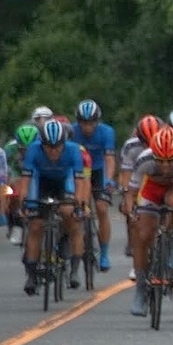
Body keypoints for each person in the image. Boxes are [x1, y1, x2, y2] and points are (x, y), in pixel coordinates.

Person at [123, 126, 173, 316]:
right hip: (151, 190)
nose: (166, 166)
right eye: (161, 161)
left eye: (170, 161)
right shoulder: (144, 158)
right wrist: (131, 212)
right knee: (142, 236)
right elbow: (131, 194)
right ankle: (141, 290)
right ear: (154, 156)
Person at [18, 119, 88, 293]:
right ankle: (32, 276)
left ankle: (74, 270)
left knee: (69, 213)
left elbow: (80, 182)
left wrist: (79, 204)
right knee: (35, 226)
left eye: (58, 147)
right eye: (49, 147)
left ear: (64, 143)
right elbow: (26, 181)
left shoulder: (73, 150)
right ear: (41, 144)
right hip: (41, 182)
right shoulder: (33, 150)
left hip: (65, 182)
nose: (54, 151)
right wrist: (23, 203)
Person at [71, 99, 117, 271]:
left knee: (102, 208)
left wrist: (108, 179)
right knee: (72, 206)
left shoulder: (106, 132)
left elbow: (110, 158)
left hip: (98, 170)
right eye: (83, 122)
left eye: (91, 122)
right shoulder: (72, 132)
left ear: (98, 121)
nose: (87, 127)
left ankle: (104, 252)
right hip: (79, 171)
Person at [119, 114, 164, 279]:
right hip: (139, 180)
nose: (149, 147)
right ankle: (135, 251)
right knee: (132, 212)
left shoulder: (169, 142)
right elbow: (126, 175)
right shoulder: (131, 147)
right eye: (146, 142)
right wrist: (126, 196)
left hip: (162, 180)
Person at [3, 124, 40, 245]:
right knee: (12, 192)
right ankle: (15, 223)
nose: (27, 152)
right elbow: (5, 170)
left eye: (30, 148)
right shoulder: (9, 149)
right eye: (23, 149)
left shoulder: (43, 147)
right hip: (16, 173)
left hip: (37, 172)